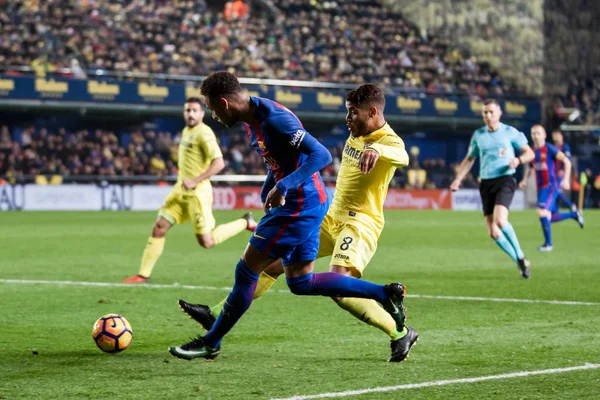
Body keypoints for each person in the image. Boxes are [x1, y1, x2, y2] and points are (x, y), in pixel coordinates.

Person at [168, 72, 410, 361]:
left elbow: (395, 156)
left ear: (372, 112)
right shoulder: (350, 131)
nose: (347, 119)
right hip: (328, 214)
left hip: (354, 221)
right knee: (285, 274)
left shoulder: (386, 140)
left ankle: (399, 331)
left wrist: (376, 148)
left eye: (352, 113)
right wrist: (271, 183)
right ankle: (217, 316)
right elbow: (284, 157)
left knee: (316, 283)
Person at [123, 98, 256, 283]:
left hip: (197, 194)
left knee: (207, 242)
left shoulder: (205, 133)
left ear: (202, 114)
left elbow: (219, 163)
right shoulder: (186, 131)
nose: (190, 114)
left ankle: (245, 221)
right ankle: (143, 274)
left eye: (194, 110)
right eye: (187, 110)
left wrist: (195, 180)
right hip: (180, 192)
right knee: (159, 227)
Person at [450, 99, 534, 279]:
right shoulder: (478, 135)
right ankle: (521, 260)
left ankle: (519, 256)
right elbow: (470, 159)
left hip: (505, 179)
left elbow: (530, 153)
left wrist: (518, 160)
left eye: (491, 112)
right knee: (493, 232)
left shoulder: (509, 132)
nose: (487, 116)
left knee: (501, 221)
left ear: (499, 113)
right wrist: (458, 179)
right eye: (484, 113)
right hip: (486, 183)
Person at [519, 125, 583, 251]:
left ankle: (548, 244)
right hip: (540, 187)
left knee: (542, 212)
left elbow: (567, 162)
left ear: (544, 135)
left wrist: (565, 179)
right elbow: (531, 167)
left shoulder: (549, 148)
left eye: (538, 133)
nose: (535, 136)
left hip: (550, 185)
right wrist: (525, 180)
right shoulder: (532, 151)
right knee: (549, 217)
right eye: (533, 133)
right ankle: (573, 214)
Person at [551, 130, 577, 211]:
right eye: (554, 135)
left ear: (561, 136)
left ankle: (571, 206)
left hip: (561, 173)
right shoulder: (552, 147)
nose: (556, 137)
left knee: (557, 190)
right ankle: (555, 209)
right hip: (553, 173)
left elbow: (567, 160)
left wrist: (563, 170)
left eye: (557, 135)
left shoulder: (565, 147)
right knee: (556, 191)